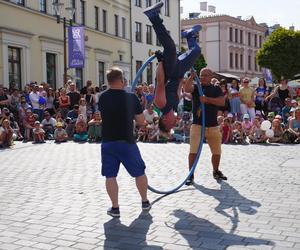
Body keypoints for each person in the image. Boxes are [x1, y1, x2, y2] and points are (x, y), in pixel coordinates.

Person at [98, 67, 150, 217]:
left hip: (108, 142)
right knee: (139, 172)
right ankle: (145, 201)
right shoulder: (131, 97)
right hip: (127, 141)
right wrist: (143, 123)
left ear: (108, 81)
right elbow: (140, 121)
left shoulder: (102, 97)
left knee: (110, 176)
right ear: (121, 80)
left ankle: (115, 208)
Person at [144, 1, 201, 132]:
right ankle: (189, 35)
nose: (175, 122)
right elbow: (179, 88)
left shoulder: (161, 103)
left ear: (164, 120)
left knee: (169, 46)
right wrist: (190, 76)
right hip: (179, 72)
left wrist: (160, 61)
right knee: (196, 51)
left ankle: (153, 16)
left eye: (171, 125)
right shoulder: (173, 106)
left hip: (170, 71)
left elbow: (160, 81)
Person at [184, 68, 227, 185]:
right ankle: (190, 174)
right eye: (201, 75)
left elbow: (222, 102)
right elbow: (186, 89)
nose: (202, 77)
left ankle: (216, 171)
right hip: (198, 125)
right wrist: (191, 77)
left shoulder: (216, 88)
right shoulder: (197, 87)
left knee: (217, 151)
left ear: (211, 76)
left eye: (205, 75)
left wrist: (207, 100)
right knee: (193, 150)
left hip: (213, 125)